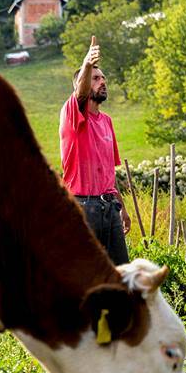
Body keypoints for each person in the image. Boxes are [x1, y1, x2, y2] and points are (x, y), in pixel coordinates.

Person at [59, 36, 131, 265]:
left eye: (103, 78)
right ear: (81, 83)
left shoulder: (107, 121)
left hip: (109, 207)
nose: (102, 82)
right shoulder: (72, 115)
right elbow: (80, 94)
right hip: (83, 209)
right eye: (95, 78)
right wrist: (87, 63)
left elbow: (109, 172)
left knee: (120, 274)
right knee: (86, 277)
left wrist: (122, 207)